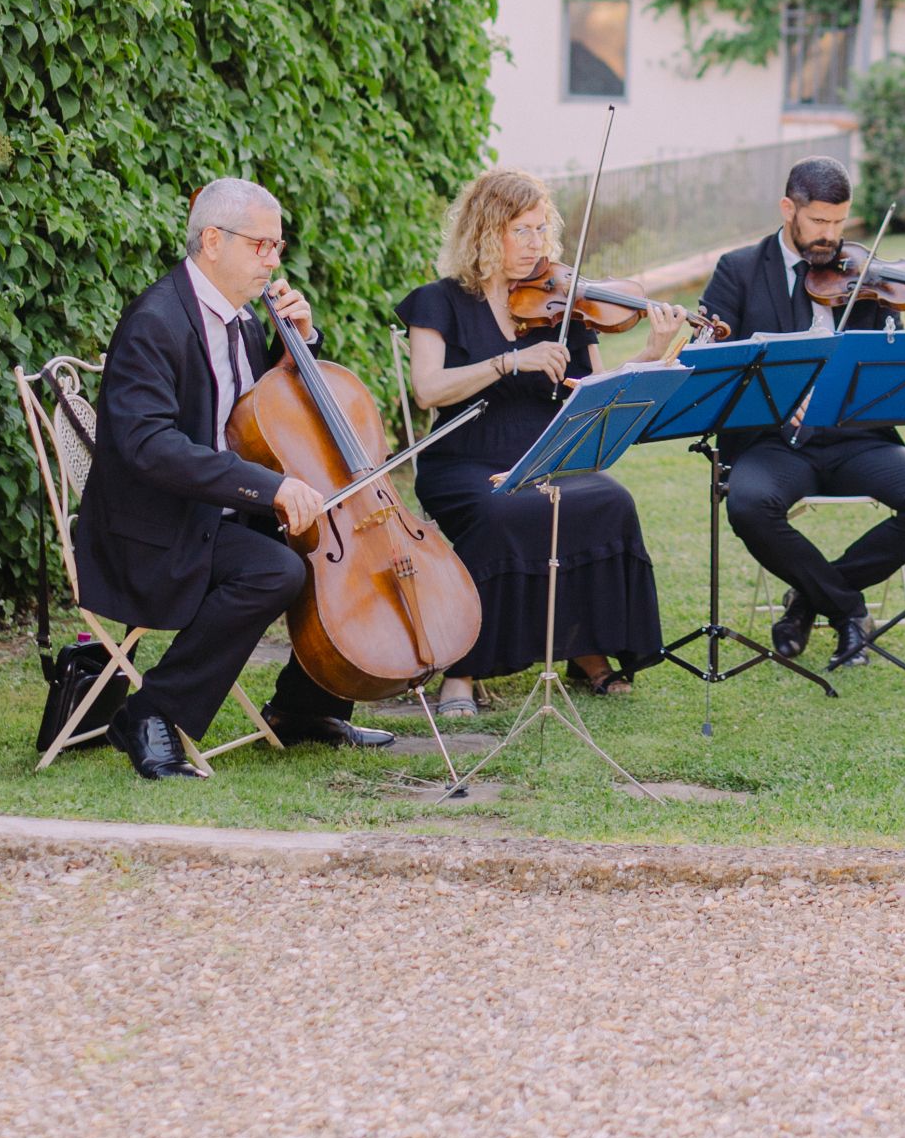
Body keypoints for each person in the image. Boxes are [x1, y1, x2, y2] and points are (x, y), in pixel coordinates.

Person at [75, 178, 397, 779]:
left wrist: (298, 345)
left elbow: (256, 418)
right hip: (152, 530)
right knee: (275, 568)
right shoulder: (154, 321)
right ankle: (151, 713)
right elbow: (150, 445)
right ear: (214, 241)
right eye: (263, 245)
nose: (275, 260)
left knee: (333, 547)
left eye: (278, 245)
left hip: (213, 514)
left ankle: (306, 708)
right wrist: (268, 488)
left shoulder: (243, 322)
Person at [396, 168, 683, 710]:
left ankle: (586, 647)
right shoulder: (438, 302)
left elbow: (594, 387)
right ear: (485, 231)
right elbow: (428, 389)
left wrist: (650, 353)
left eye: (540, 229)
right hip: (465, 456)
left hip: (548, 450)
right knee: (501, 512)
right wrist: (509, 361)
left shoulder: (564, 301)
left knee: (610, 501)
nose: (535, 244)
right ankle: (462, 670)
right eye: (520, 231)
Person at [699, 154, 905, 670]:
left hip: (856, 437)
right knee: (746, 505)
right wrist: (781, 398)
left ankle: (807, 602)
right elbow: (711, 365)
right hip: (774, 441)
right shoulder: (738, 271)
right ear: (789, 209)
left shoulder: (867, 274)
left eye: (839, 222)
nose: (831, 236)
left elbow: (898, 364)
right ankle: (848, 608)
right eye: (819, 221)